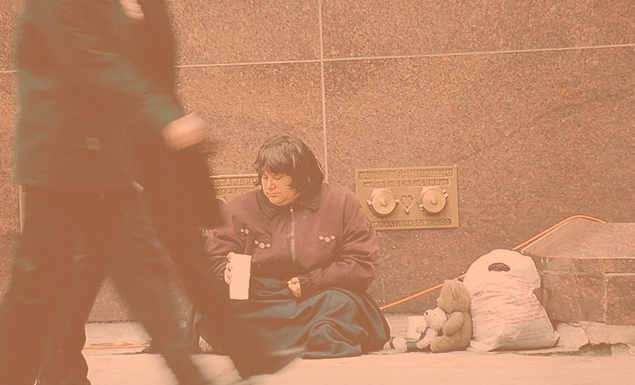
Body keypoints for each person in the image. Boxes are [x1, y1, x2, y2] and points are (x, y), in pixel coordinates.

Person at [25, 1, 301, 385]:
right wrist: (162, 118)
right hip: (95, 152)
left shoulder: (148, 4)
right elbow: (96, 65)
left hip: (153, 146)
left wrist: (176, 126)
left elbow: (155, 72)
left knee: (177, 253)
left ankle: (239, 354)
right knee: (84, 269)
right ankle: (61, 368)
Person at [194, 134, 391, 359]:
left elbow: (362, 263)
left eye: (277, 178)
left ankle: (262, 341)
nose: (269, 186)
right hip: (260, 296)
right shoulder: (241, 208)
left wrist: (312, 282)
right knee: (210, 305)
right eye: (264, 177)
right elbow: (213, 257)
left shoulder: (341, 202)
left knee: (342, 304)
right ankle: (310, 338)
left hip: (317, 296)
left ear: (301, 177)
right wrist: (224, 271)